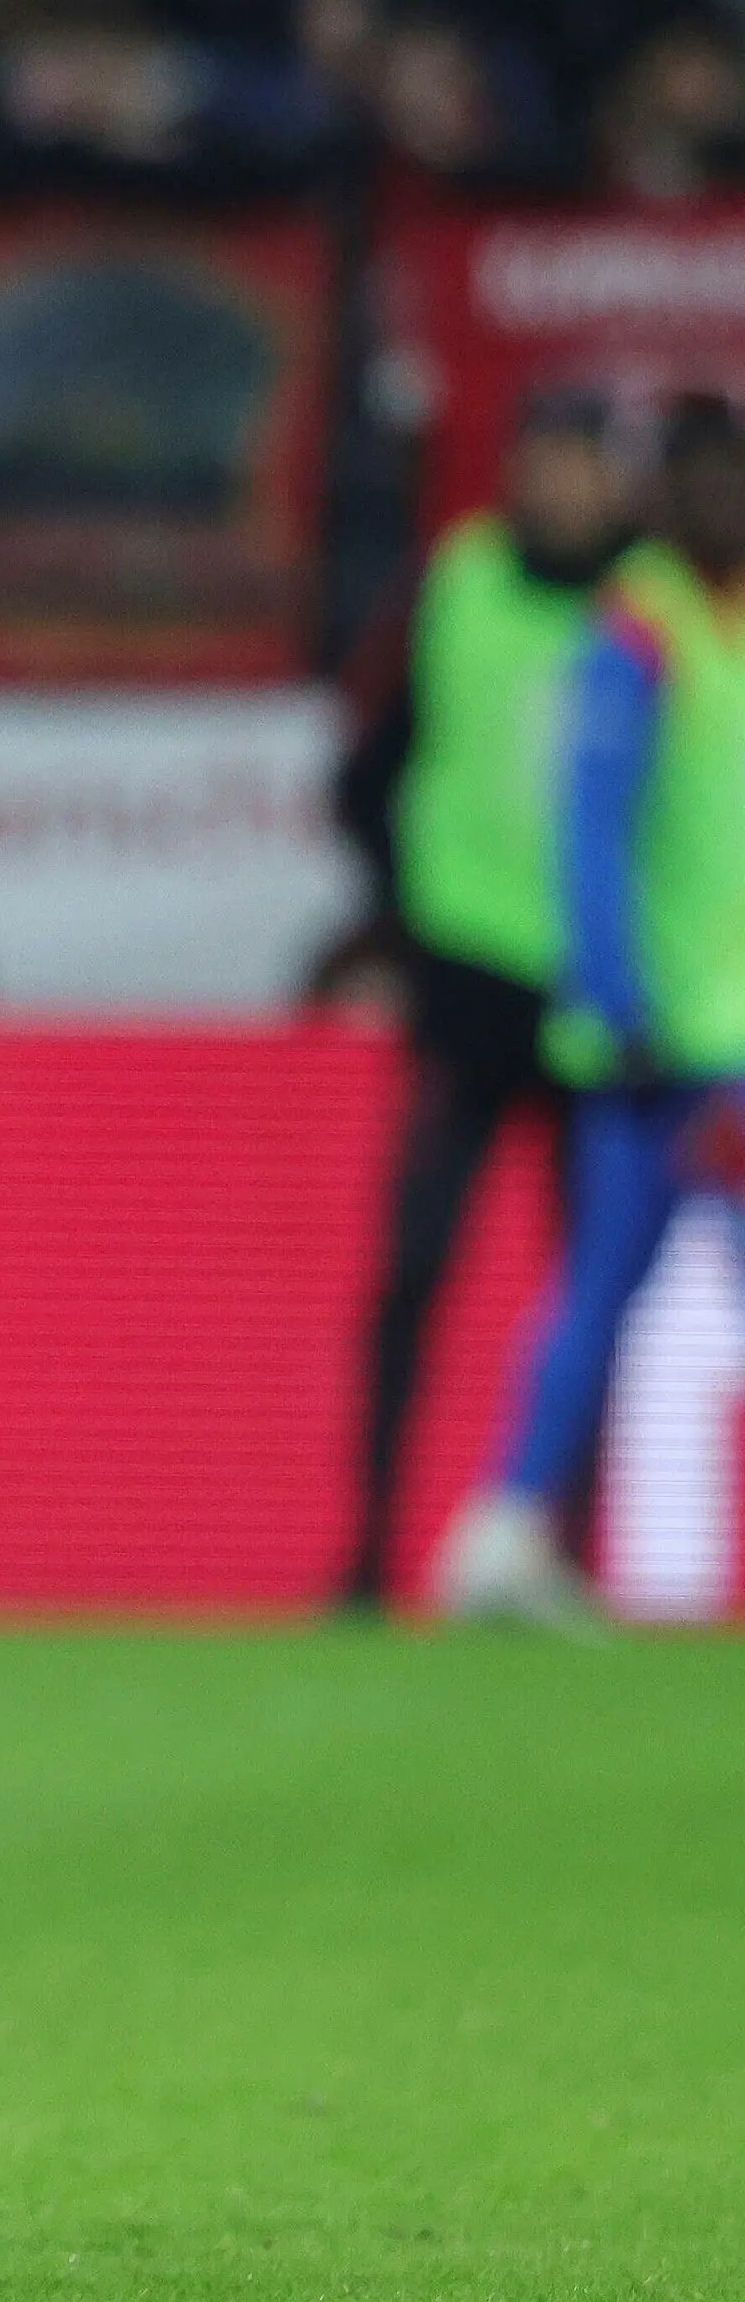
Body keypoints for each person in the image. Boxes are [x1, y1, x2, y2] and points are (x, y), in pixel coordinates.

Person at [435, 395, 745, 1622]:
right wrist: (619, 1005)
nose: (723, 504)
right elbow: (591, 834)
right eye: (702, 483)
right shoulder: (637, 630)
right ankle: (504, 1532)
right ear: (663, 499)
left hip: (736, 1027)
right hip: (656, 1038)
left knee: (621, 1280)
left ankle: (512, 1527)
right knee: (605, 1279)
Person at [334, 385, 629, 1610]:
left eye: (578, 462)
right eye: (540, 456)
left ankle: (564, 1554)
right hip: (466, 988)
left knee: (594, 1290)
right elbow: (368, 768)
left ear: (617, 483)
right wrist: (401, 921)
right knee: (414, 1269)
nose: (556, 485)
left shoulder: (655, 608)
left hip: (611, 999)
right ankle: (366, 1553)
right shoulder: (455, 584)